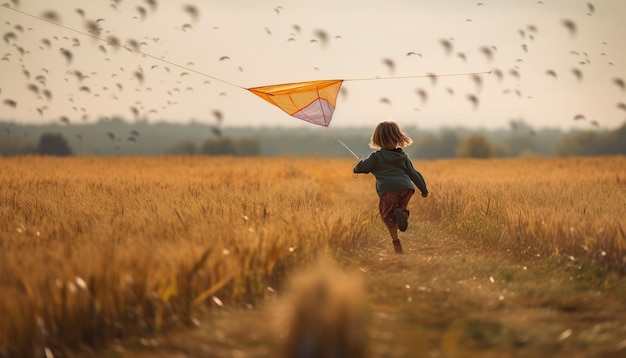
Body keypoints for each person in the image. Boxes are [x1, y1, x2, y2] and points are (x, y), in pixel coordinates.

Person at [353, 121, 428, 254]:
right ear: (398, 137)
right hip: (406, 188)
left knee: (387, 216)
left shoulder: (376, 156)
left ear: (377, 139)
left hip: (388, 190)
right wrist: (424, 189)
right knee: (400, 208)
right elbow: (414, 173)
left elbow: (362, 168)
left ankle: (396, 244)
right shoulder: (403, 156)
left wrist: (357, 167)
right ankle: (403, 214)